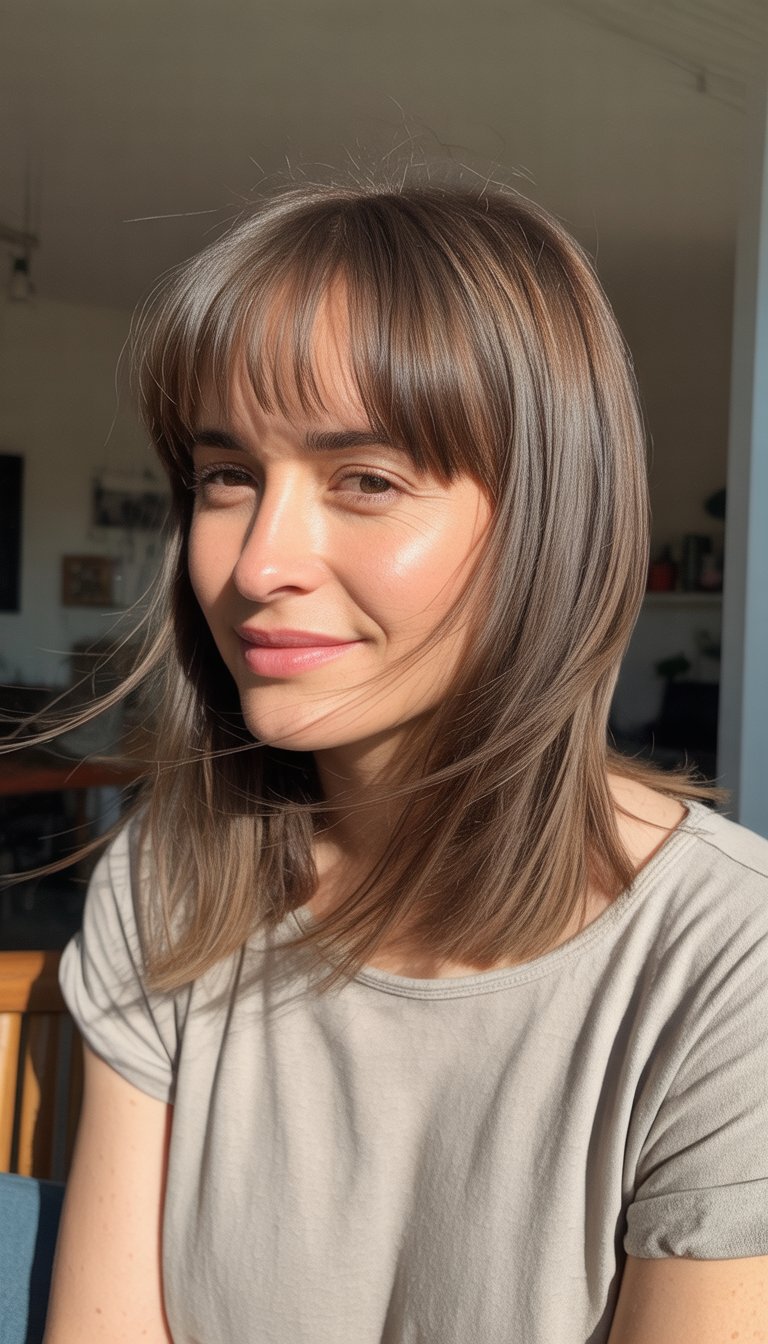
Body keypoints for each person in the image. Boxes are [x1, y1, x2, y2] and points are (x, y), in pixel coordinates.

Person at [39, 179, 767, 1343]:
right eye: (228, 475)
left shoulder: (733, 971)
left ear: (551, 522)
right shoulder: (170, 887)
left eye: (365, 481)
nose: (257, 561)